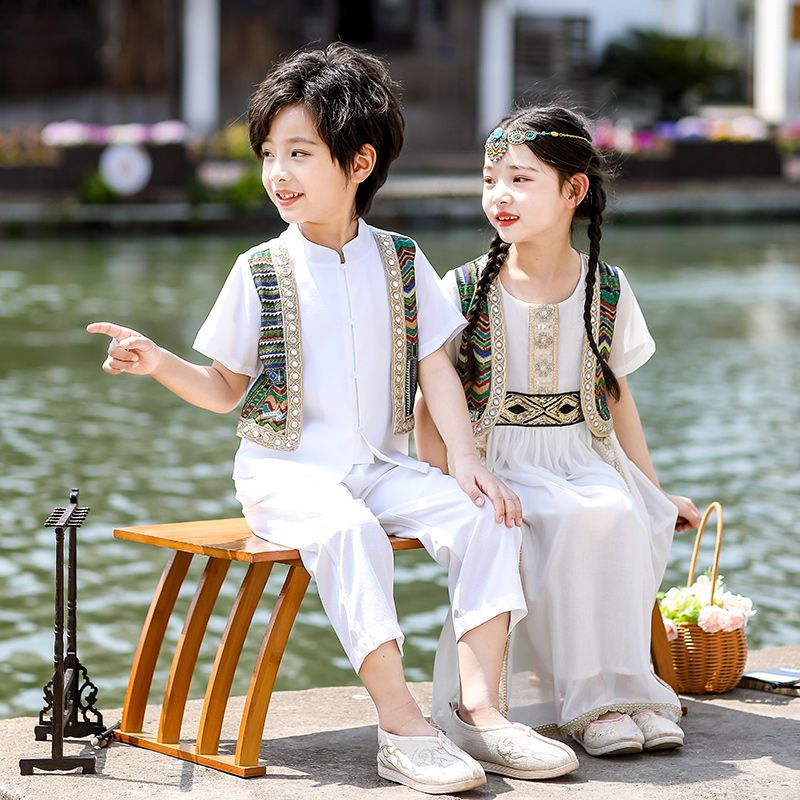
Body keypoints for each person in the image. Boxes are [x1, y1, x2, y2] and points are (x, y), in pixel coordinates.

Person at [86, 47, 579, 792]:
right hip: (285, 475)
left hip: (379, 469)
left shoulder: (403, 261)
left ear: (358, 163)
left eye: (299, 153)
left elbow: (437, 367)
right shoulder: (260, 269)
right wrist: (157, 361)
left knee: (486, 517)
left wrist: (471, 462)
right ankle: (400, 725)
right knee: (345, 531)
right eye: (269, 154)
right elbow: (225, 390)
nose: (277, 173)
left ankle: (481, 715)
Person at [415, 105, 702, 758]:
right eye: (491, 179)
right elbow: (431, 404)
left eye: (520, 179)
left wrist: (654, 490)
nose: (499, 196)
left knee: (617, 510)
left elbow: (616, 396)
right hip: (497, 463)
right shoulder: (460, 289)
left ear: (573, 190)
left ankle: (627, 692)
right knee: (566, 517)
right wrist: (439, 481)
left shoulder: (605, 287)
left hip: (582, 453)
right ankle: (590, 704)